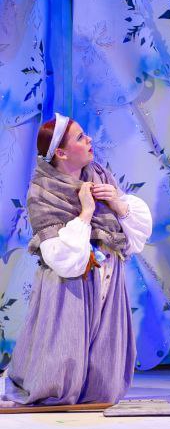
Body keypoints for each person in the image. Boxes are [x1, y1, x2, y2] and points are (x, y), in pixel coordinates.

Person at [0, 113, 152, 407]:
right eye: (80, 137)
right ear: (61, 152)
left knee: (104, 360)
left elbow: (135, 236)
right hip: (68, 285)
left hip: (107, 278)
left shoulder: (100, 176)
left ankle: (96, 389)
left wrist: (117, 203)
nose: (89, 139)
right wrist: (85, 212)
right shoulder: (44, 192)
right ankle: (56, 387)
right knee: (64, 347)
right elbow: (61, 257)